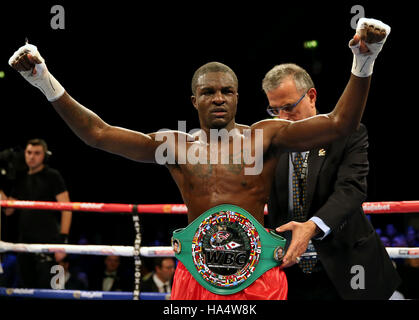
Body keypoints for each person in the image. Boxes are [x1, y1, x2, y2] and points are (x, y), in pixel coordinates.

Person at [8, 18, 390, 299]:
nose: (219, 98)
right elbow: (98, 134)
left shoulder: (266, 136)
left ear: (238, 97)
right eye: (209, 92)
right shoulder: (175, 145)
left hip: (257, 271)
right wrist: (44, 81)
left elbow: (341, 124)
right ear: (195, 101)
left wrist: (364, 60)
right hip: (195, 273)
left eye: (227, 91)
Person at [263, 63, 400, 299]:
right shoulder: (270, 143)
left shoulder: (347, 134)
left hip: (347, 265)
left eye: (288, 107)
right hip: (290, 273)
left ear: (312, 97)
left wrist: (312, 227)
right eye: (275, 110)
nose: (282, 118)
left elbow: (351, 189)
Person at [1, 139, 72, 289]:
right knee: (26, 290)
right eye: (29, 152)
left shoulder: (53, 176)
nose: (32, 157)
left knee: (54, 290)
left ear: (44, 156)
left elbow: (67, 208)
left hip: (50, 243)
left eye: (37, 153)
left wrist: (62, 241)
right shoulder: (21, 178)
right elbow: (8, 210)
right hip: (24, 244)